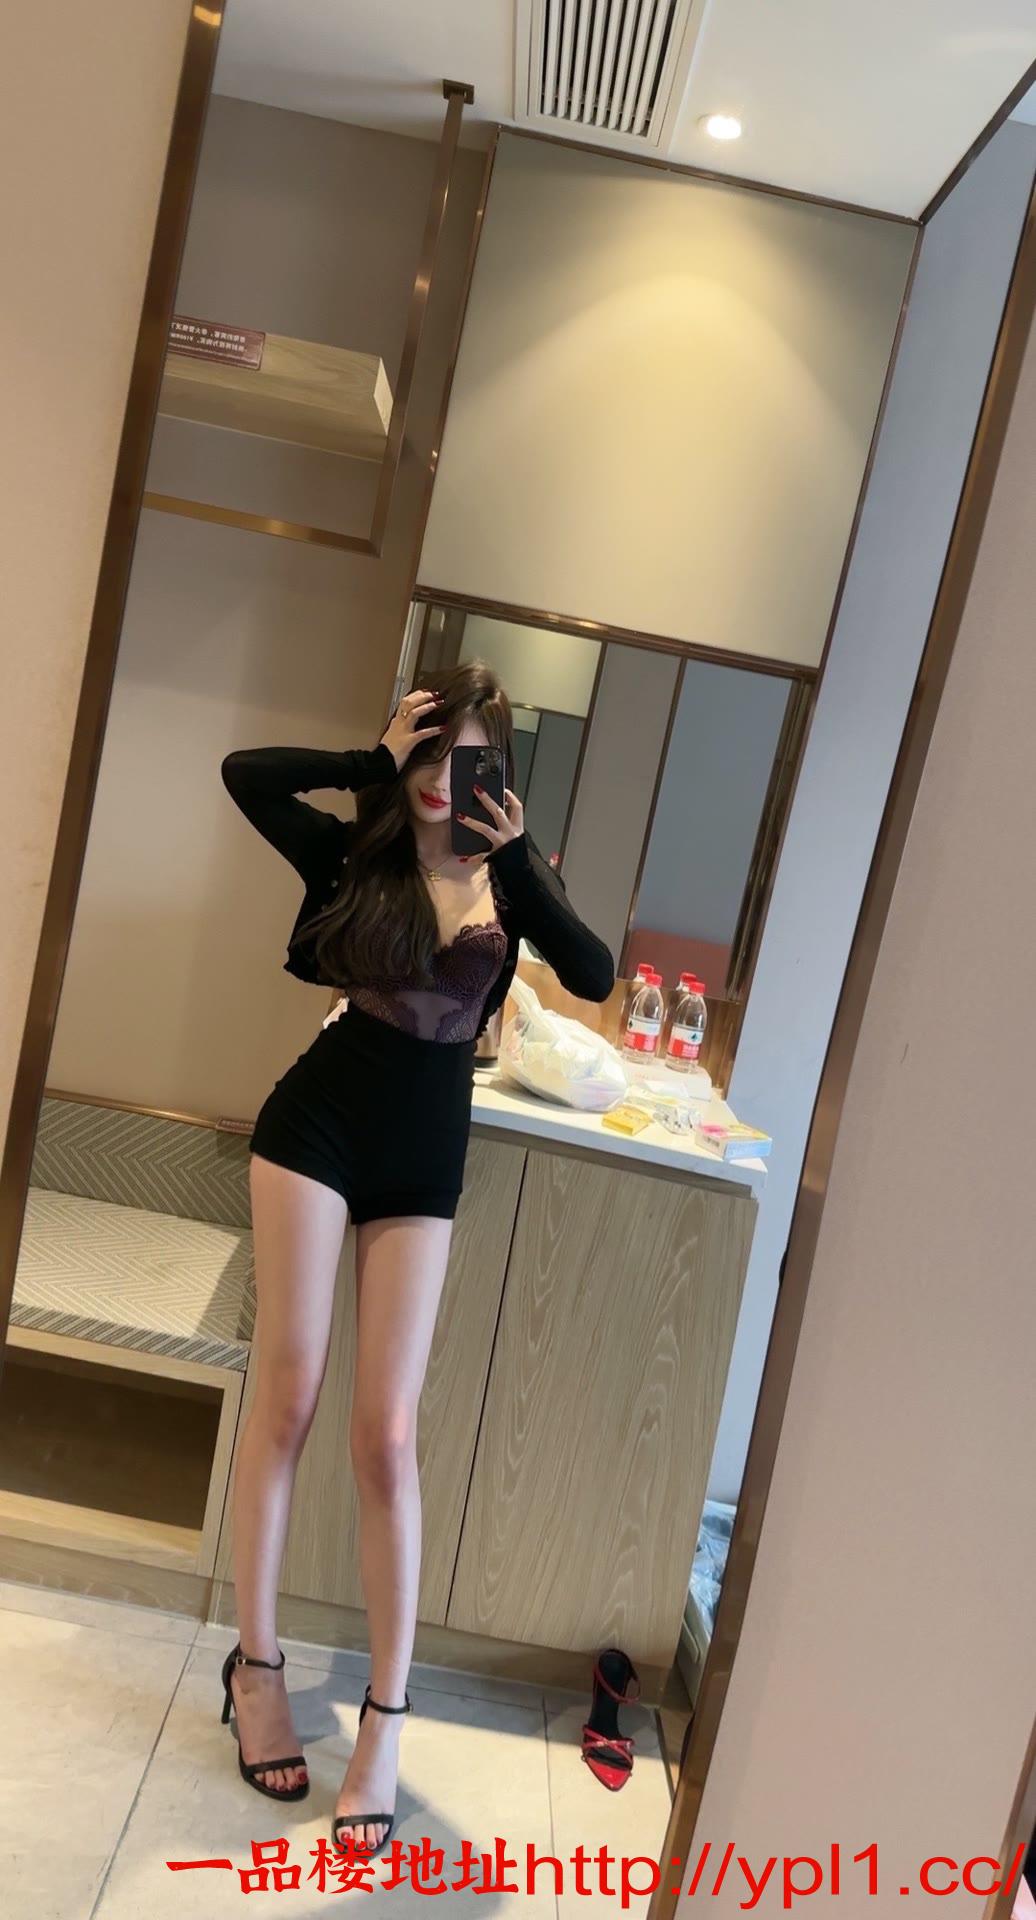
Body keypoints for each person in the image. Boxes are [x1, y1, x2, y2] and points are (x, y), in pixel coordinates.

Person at [217, 659, 614, 1858]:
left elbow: (593, 973)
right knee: (287, 1400)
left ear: (501, 768)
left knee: (386, 1437)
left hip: (423, 1161)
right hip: (315, 1132)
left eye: (467, 755)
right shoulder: (359, 851)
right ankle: (256, 1667)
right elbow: (246, 776)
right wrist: (368, 763)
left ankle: (386, 1721)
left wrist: (521, 856)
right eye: (431, 751)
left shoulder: (507, 878)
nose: (445, 778)